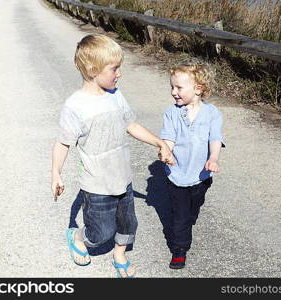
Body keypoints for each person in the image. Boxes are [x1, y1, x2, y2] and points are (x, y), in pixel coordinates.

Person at [51, 34, 174, 278]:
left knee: (128, 224)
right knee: (100, 231)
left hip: (122, 177)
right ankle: (78, 237)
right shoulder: (75, 106)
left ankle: (119, 254)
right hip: (96, 183)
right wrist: (56, 173)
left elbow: (131, 125)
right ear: (92, 69)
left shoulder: (115, 95)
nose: (119, 73)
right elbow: (63, 143)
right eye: (114, 68)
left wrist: (159, 142)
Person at [160, 57, 224, 269]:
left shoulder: (212, 113)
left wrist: (213, 158)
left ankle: (188, 218)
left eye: (178, 87)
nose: (173, 92)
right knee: (180, 216)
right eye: (172, 87)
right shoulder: (171, 113)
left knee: (193, 209)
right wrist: (166, 150)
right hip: (176, 175)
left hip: (201, 176)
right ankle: (179, 249)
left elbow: (215, 138)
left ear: (198, 88)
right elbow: (168, 137)